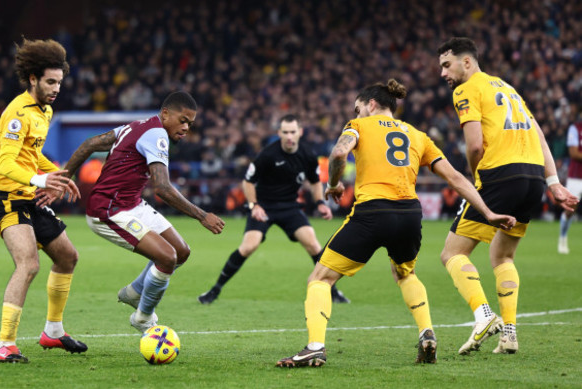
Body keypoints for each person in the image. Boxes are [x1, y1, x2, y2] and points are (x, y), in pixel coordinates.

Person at [276, 79, 516, 367]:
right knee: (405, 274)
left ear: (371, 104)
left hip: (372, 212)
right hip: (409, 215)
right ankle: (427, 333)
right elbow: (455, 178)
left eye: (358, 108)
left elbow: (339, 153)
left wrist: (334, 184)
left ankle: (315, 347)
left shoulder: (359, 125)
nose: (356, 112)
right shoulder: (418, 135)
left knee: (320, 278)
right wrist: (487, 212)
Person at [437, 37, 579, 355]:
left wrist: (476, 181)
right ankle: (509, 334)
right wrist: (553, 182)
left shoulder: (467, 89)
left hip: (499, 175)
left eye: (447, 65)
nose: (443, 74)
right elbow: (538, 133)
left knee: (452, 254)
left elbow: (474, 145)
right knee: (503, 257)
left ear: (467, 62)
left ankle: (485, 317)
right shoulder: (507, 88)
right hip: (532, 179)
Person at [41, 91, 225, 333]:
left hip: (131, 204)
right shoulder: (157, 134)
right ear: (166, 114)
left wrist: (64, 179)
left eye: (190, 123)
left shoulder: (137, 126)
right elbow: (162, 188)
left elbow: (89, 145)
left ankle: (135, 292)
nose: (186, 128)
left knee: (181, 251)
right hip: (108, 210)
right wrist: (202, 216)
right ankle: (143, 318)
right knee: (167, 257)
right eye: (183, 120)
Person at [0, 38, 85, 363]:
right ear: (33, 79)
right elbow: (6, 163)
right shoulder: (17, 113)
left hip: (30, 195)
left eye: (59, 82)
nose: (57, 88)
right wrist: (42, 179)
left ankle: (53, 331)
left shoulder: (45, 110)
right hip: (6, 197)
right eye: (50, 82)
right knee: (28, 264)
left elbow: (32, 154)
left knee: (68, 257)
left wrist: (57, 174)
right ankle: (5, 344)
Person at [197, 114, 350, 305]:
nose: (289, 136)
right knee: (248, 246)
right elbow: (248, 182)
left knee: (313, 244)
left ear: (300, 132)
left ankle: (333, 291)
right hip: (264, 207)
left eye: (292, 132)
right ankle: (214, 290)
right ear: (279, 133)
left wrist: (320, 202)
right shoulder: (268, 154)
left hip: (290, 207)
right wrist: (254, 205)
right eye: (285, 132)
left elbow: (315, 181)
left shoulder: (308, 155)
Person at [558, 116, 582, 254]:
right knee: (570, 209)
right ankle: (563, 237)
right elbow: (574, 153)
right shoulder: (575, 128)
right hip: (576, 176)